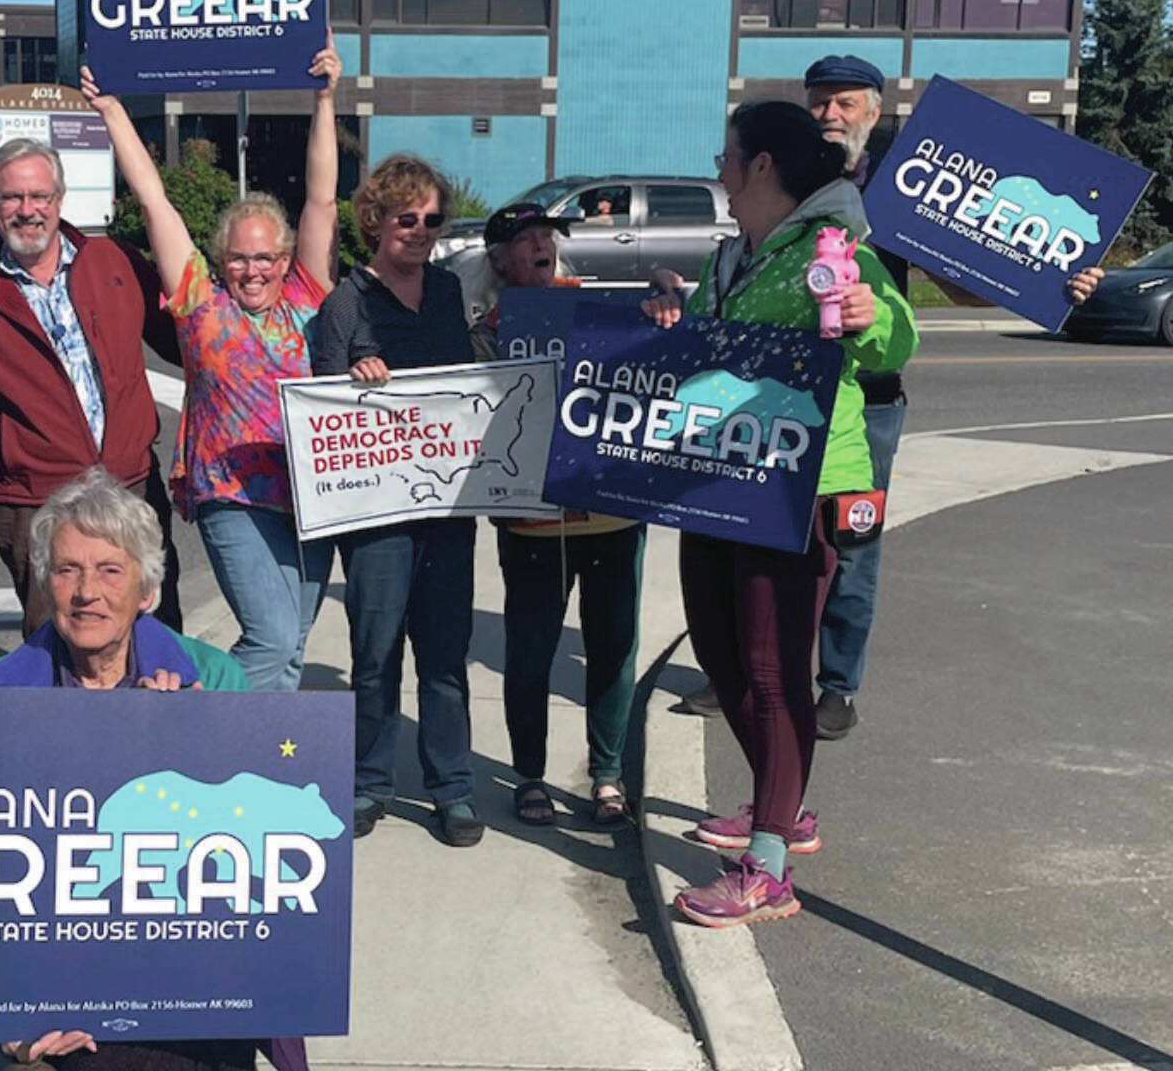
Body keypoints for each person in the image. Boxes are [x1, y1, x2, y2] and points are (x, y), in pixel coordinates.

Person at [677, 55, 1106, 739]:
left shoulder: (905, 191)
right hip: (773, 403)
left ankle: (837, 685)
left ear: (875, 113)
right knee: (746, 531)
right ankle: (739, 673)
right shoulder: (789, 175)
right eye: (820, 101)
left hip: (866, 398)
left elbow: (969, 282)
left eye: (846, 103)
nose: (830, 114)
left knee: (849, 544)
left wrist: (1059, 281)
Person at [642, 101, 917, 926]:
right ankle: (782, 806)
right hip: (716, 483)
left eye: (726, 155)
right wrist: (670, 309)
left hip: (796, 489)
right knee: (724, 658)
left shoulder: (833, 248)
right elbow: (697, 352)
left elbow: (891, 338)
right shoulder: (736, 257)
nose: (719, 169)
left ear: (761, 166)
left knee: (771, 666)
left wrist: (873, 317)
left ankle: (767, 866)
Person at [0, 469, 308, 1071]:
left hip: (196, 975)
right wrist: (14, 1026)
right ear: (46, 583)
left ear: (147, 591)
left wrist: (187, 735)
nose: (86, 592)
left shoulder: (213, 678)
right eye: (67, 570)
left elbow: (261, 867)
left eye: (110, 571)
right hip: (58, 987)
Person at [78, 38, 341, 692]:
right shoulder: (199, 300)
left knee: (293, 648)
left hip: (312, 495)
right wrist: (111, 111)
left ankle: (259, 772)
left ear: (286, 261)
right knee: (273, 639)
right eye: (242, 258)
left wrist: (325, 100)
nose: (254, 270)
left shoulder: (309, 296)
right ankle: (194, 722)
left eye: (267, 258)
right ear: (223, 260)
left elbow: (322, 202)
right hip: (231, 493)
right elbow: (157, 203)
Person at [311, 154, 484, 847]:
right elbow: (322, 406)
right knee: (375, 651)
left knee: (445, 654)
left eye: (433, 219)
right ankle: (369, 782)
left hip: (447, 507)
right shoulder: (345, 302)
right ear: (375, 220)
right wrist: (356, 377)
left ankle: (453, 789)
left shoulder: (447, 291)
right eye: (405, 218)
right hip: (376, 514)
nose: (419, 230)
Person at [0, 137, 185, 639]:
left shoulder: (114, 262)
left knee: (156, 640)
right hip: (35, 498)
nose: (27, 210)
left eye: (40, 196)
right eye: (11, 198)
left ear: (59, 199)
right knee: (55, 648)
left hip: (130, 486)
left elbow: (188, 344)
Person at [470, 203, 646, 828]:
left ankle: (607, 774)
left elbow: (647, 373)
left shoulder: (601, 310)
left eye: (549, 235)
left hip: (613, 517)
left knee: (613, 647)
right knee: (530, 653)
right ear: (498, 259)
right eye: (527, 239)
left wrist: (665, 307)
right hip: (531, 526)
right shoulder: (487, 330)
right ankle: (529, 775)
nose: (544, 243)